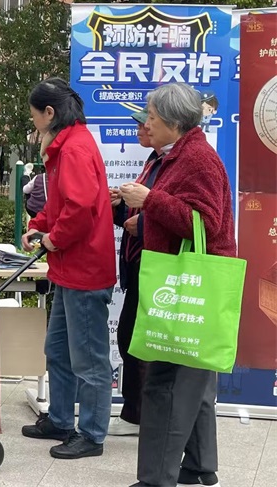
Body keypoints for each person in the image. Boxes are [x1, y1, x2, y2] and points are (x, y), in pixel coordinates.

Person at [120, 83, 234, 487]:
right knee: (194, 380)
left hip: (188, 286)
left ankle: (156, 479)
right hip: (192, 285)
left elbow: (205, 223)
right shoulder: (181, 154)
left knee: (166, 381)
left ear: (173, 121)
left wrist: (149, 200)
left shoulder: (197, 158)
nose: (146, 123)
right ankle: (200, 466)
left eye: (151, 116)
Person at [19, 78, 116, 460]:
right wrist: (38, 225)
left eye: (34, 115)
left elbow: (78, 212)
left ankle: (91, 434)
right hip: (68, 269)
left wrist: (51, 239)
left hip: (84, 270)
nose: (33, 123)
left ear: (49, 113)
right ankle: (60, 419)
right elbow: (60, 205)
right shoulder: (65, 146)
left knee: (89, 359)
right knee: (58, 349)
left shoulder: (74, 148)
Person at [107, 109, 164, 437]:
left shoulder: (182, 162)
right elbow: (141, 211)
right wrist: (121, 207)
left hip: (157, 270)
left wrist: (141, 224)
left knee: (141, 343)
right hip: (139, 266)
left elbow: (189, 218)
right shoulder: (154, 160)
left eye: (147, 122)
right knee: (129, 338)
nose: (142, 128)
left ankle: (143, 416)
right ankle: (135, 412)